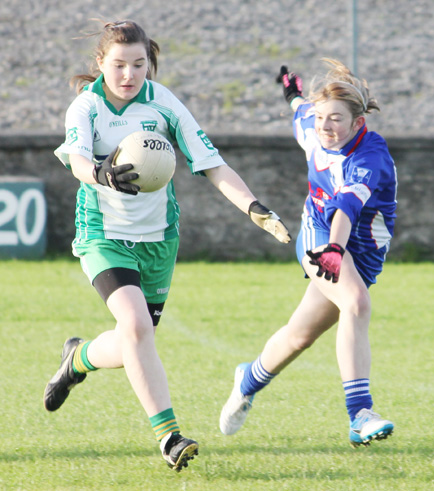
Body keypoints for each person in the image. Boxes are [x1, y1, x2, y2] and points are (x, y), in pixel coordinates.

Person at [43, 19, 291, 473]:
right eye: (119, 65)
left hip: (158, 239)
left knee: (134, 340)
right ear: (101, 63)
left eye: (139, 64)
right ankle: (169, 437)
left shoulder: (164, 104)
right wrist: (100, 173)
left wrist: (255, 209)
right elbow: (77, 158)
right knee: (136, 326)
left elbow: (213, 164)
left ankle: (77, 358)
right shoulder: (87, 107)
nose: (129, 75)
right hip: (104, 233)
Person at [220, 59, 397, 448]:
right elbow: (300, 109)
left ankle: (247, 380)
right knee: (356, 303)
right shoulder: (311, 129)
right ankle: (360, 415)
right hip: (321, 235)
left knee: (300, 336)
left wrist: (339, 248)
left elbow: (350, 206)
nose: (325, 125)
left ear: (357, 123)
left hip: (357, 251)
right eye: (321, 117)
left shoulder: (370, 158)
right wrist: (292, 92)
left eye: (336, 118)